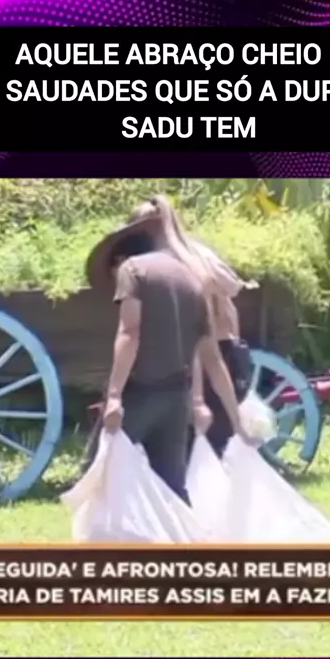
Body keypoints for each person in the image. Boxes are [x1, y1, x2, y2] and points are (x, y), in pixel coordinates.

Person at [81, 200, 253, 502]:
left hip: (140, 394)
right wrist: (236, 420)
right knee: (173, 487)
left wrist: (114, 397)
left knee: (96, 476)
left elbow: (130, 332)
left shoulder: (132, 270)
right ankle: (180, 533)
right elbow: (212, 358)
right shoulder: (192, 277)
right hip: (176, 398)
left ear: (120, 257)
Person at [153, 195, 257, 457]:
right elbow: (232, 286)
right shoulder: (198, 253)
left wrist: (197, 399)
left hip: (196, 360)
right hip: (224, 350)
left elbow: (199, 348)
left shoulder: (162, 264)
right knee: (217, 443)